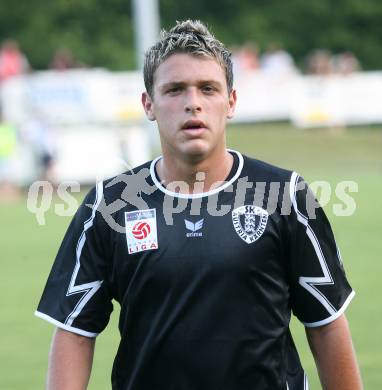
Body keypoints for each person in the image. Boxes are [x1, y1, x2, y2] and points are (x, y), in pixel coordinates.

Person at [35, 20, 363, 389]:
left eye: (208, 88)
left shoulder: (284, 195)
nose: (193, 103)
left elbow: (326, 323)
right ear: (149, 104)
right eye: (174, 90)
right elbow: (75, 332)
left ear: (231, 102)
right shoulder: (109, 205)